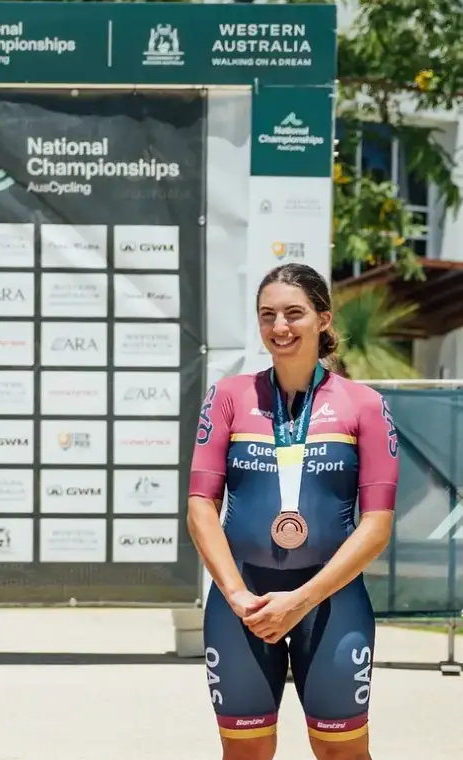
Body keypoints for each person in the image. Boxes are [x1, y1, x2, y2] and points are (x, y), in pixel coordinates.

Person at [187, 262, 399, 760]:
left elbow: (377, 526)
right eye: (268, 315)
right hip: (242, 605)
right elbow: (200, 507)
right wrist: (238, 596)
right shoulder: (228, 397)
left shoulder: (364, 404)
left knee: (342, 754)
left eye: (293, 313)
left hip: (332, 606)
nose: (279, 327)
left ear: (323, 319)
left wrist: (300, 600)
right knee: (245, 755)